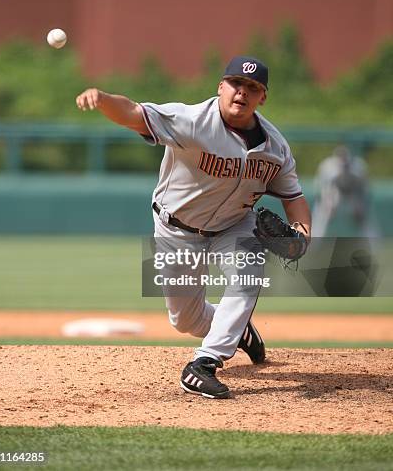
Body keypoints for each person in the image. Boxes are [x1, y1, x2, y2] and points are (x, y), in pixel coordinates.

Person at [76, 56, 311, 399]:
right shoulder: (192, 121)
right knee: (185, 320)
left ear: (263, 97)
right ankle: (238, 331)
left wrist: (302, 232)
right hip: (176, 229)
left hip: (235, 224)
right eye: (235, 84)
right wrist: (104, 100)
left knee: (247, 277)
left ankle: (203, 364)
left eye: (253, 88)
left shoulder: (275, 148)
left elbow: (294, 197)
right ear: (220, 87)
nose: (242, 93)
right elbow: (134, 114)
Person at [311, 145, 370, 237]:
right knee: (321, 217)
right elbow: (321, 186)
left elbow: (364, 187)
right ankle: (312, 243)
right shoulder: (328, 165)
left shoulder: (358, 165)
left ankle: (375, 245)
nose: (343, 159)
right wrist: (327, 202)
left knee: (364, 219)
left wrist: (360, 204)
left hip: (352, 194)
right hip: (334, 193)